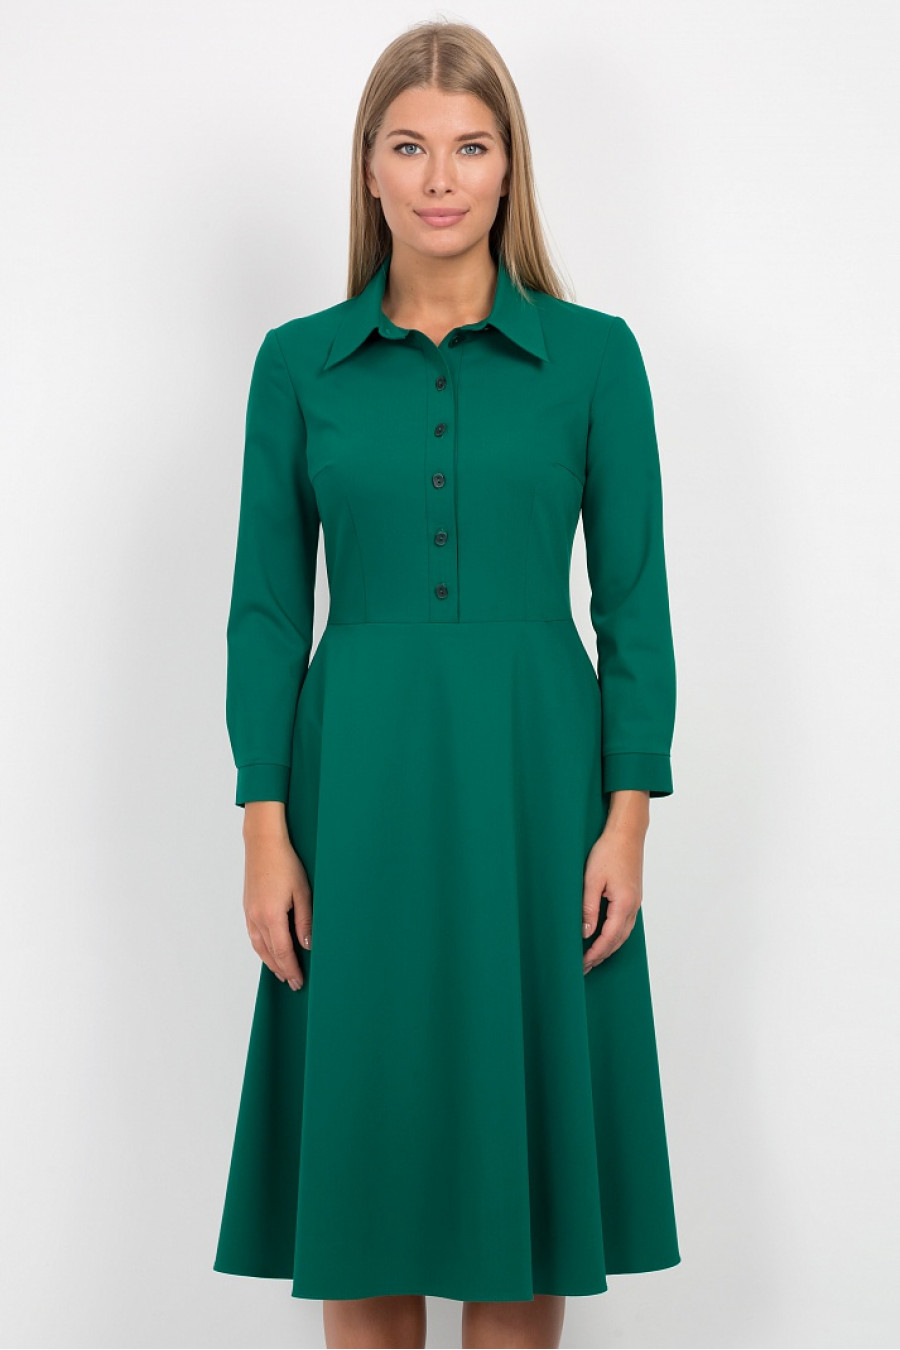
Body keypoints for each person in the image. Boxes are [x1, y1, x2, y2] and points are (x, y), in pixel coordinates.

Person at [213, 19, 680, 1350]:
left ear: (509, 165)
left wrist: (627, 821)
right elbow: (265, 611)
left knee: (517, 1181)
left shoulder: (596, 358)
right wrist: (264, 831)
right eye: (409, 147)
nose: (439, 179)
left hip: (537, 789)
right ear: (368, 168)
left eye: (470, 148)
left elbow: (635, 605)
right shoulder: (296, 364)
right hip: (352, 792)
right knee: (364, 1164)